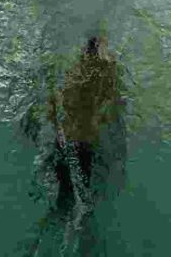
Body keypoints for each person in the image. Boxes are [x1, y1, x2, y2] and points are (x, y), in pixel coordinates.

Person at [37, 31, 123, 226]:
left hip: (63, 141)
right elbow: (112, 107)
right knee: (83, 205)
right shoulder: (108, 69)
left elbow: (52, 109)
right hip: (85, 143)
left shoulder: (71, 74)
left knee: (61, 200)